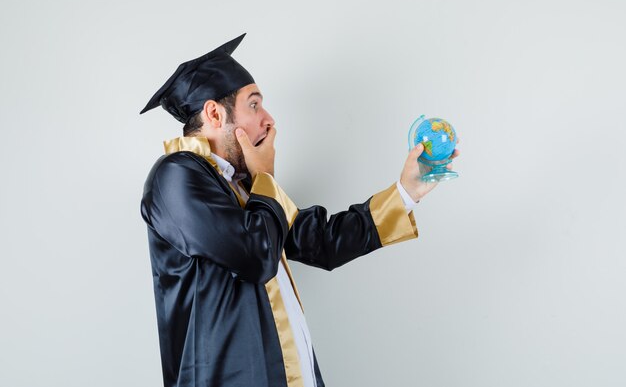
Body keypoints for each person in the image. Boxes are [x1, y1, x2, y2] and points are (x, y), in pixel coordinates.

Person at [140, 34, 459, 387]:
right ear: (215, 113)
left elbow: (320, 240)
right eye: (254, 105)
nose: (269, 120)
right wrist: (264, 176)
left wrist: (406, 191)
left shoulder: (243, 188)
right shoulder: (176, 176)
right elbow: (255, 256)